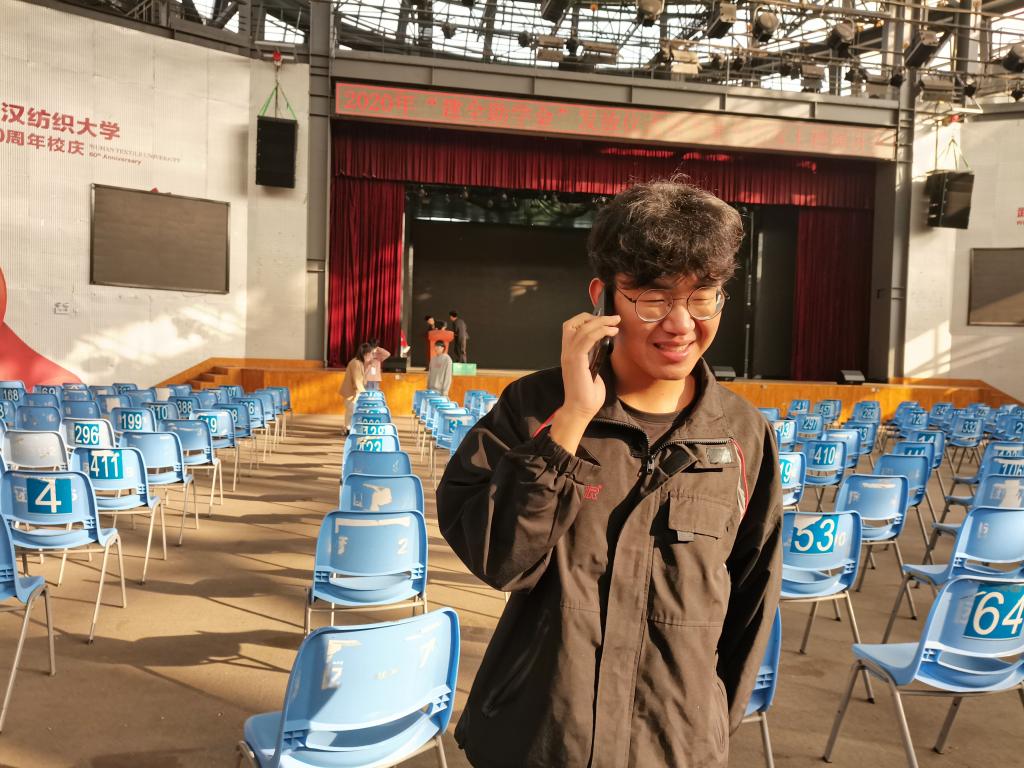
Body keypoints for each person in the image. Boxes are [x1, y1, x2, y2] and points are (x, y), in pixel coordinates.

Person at [436, 179, 782, 767]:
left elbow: (753, 599)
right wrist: (571, 420)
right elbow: (499, 558)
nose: (681, 323)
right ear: (603, 298)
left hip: (671, 746)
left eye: (703, 297)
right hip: (543, 738)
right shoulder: (533, 407)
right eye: (653, 299)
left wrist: (707, 726)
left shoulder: (742, 435)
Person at [338, 342, 372, 434]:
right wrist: (366, 394)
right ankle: (349, 430)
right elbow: (357, 381)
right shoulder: (356, 363)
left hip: (352, 393)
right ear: (366, 354)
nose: (371, 356)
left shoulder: (358, 362)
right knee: (354, 413)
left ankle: (347, 429)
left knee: (350, 413)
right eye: (370, 354)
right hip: (352, 394)